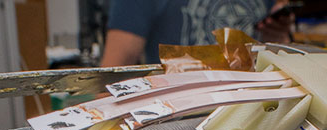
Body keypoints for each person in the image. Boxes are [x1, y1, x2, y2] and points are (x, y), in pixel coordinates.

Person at [102, 0, 293, 67]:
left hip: (253, 118)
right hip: (177, 128)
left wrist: (277, 39)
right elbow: (114, 68)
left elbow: (277, 52)